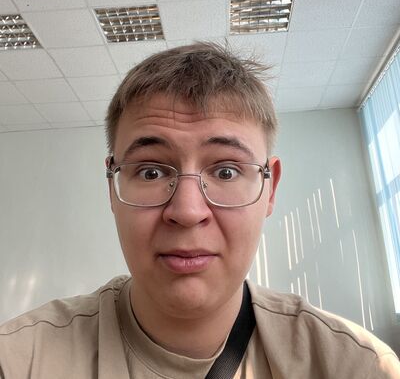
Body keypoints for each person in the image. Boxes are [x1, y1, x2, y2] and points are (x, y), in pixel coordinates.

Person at [0, 42, 399, 379]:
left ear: (270, 188)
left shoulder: (354, 366)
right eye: (151, 171)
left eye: (226, 171)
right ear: (112, 187)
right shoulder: (21, 359)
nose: (188, 211)